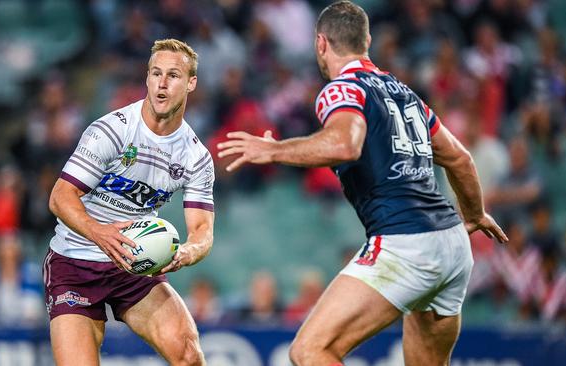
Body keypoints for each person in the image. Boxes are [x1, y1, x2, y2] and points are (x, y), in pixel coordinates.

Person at [217, 2, 507, 365]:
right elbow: (460, 158)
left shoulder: (342, 89)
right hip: (452, 244)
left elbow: (345, 144)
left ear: (321, 43)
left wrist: (274, 150)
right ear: (366, 40)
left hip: (405, 243)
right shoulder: (406, 94)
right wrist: (476, 214)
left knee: (309, 351)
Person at [44, 38, 215, 366]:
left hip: (134, 266)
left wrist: (187, 252)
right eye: (155, 73)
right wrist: (99, 233)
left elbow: (202, 230)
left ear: (191, 83)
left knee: (189, 355)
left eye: (173, 75)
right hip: (74, 263)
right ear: (147, 77)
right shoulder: (111, 130)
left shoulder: (196, 157)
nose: (162, 83)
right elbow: (60, 197)